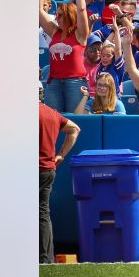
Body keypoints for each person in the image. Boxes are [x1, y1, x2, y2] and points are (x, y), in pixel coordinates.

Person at [39, 85, 81, 264]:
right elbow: (75, 129)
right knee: (42, 213)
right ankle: (45, 258)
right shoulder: (52, 113)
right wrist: (61, 155)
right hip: (47, 170)